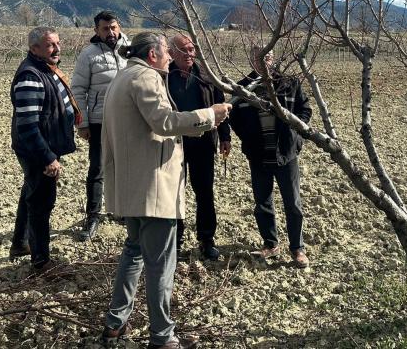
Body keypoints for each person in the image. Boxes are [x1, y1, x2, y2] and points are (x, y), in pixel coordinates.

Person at [100, 32, 231, 349]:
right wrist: (209, 116)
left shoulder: (122, 77)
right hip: (153, 188)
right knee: (161, 264)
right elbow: (164, 122)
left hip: (133, 188)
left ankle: (115, 323)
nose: (170, 58)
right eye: (166, 53)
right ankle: (162, 337)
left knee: (134, 252)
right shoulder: (145, 78)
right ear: (152, 55)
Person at [229, 47, 312, 268]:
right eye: (258, 58)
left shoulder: (289, 83)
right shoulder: (243, 86)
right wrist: (247, 137)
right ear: (252, 60)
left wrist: (295, 134)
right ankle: (271, 244)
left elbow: (305, 110)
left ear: (273, 58)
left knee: (292, 203)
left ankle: (297, 248)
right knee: (262, 202)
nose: (263, 62)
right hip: (258, 155)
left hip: (286, 153)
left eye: (267, 57)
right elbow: (234, 118)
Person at [9, 27, 80, 274]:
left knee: (31, 193)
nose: (57, 49)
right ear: (34, 48)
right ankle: (41, 262)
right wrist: (47, 157)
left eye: (58, 43)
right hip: (38, 149)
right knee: (41, 202)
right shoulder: (30, 76)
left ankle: (20, 243)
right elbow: (28, 126)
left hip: (44, 146)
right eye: (50, 45)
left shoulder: (45, 69)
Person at [167, 34, 231, 260]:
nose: (189, 54)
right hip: (174, 144)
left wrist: (225, 137)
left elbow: (221, 106)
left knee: (204, 191)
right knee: (174, 192)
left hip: (203, 143)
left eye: (192, 49)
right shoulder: (164, 76)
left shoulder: (206, 74)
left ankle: (206, 239)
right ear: (171, 52)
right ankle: (175, 241)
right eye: (184, 50)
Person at [71, 10, 129, 241]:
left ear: (119, 26)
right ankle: (93, 217)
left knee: (125, 167)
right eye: (105, 29)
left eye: (113, 27)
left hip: (128, 122)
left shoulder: (130, 50)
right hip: (99, 122)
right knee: (97, 170)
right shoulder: (88, 55)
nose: (111, 32)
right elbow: (78, 90)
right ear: (96, 30)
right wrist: (82, 123)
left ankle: (123, 210)